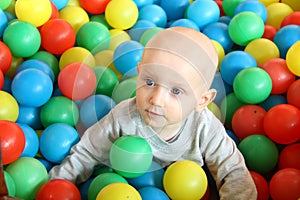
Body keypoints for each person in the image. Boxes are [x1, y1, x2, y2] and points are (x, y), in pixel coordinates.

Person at [49, 26, 257, 199]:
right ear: (138, 74)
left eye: (176, 91)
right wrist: (58, 185)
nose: (156, 99)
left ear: (202, 100)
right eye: (149, 82)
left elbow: (233, 172)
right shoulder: (124, 117)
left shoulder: (206, 128)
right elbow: (88, 151)